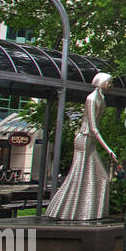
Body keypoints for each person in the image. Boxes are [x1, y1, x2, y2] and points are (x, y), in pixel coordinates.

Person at [46, 72, 116, 221]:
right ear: (101, 82)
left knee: (101, 178)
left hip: (91, 141)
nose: (111, 85)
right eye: (109, 82)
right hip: (84, 139)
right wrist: (108, 149)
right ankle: (66, 210)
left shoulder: (101, 98)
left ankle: (90, 212)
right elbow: (93, 127)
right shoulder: (91, 98)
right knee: (79, 177)